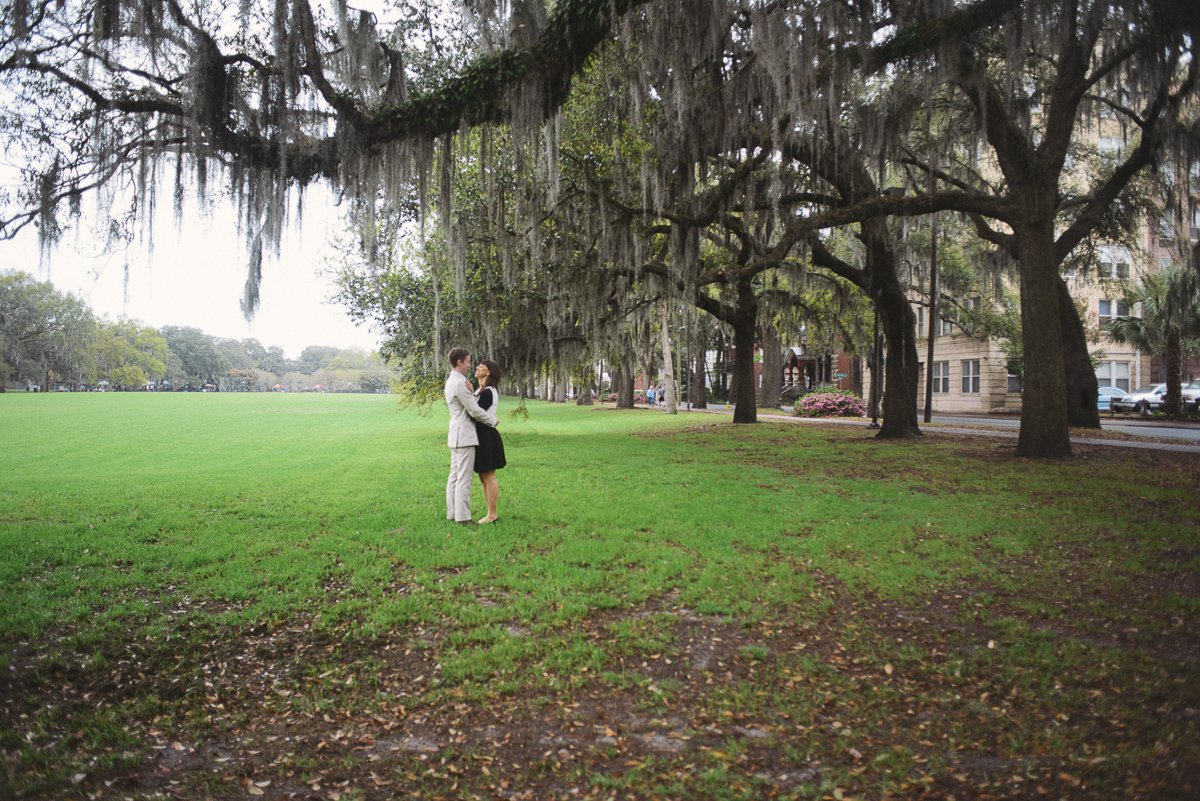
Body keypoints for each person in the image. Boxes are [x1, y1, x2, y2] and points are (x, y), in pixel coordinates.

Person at [444, 348, 498, 525]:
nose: (470, 365)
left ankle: (452, 513)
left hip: (455, 434)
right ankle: (463, 517)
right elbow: (474, 411)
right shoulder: (460, 383)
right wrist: (493, 420)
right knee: (463, 479)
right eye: (467, 361)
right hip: (465, 435)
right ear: (459, 362)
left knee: (454, 476)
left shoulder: (451, 381)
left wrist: (473, 391)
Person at [472, 359, 507, 524]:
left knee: (489, 475)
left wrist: (493, 420)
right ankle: (489, 512)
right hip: (479, 435)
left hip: (486, 436)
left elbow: (477, 414)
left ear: (489, 372)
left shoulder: (488, 392)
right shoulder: (480, 391)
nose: (477, 367)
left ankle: (493, 514)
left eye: (481, 366)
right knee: (482, 476)